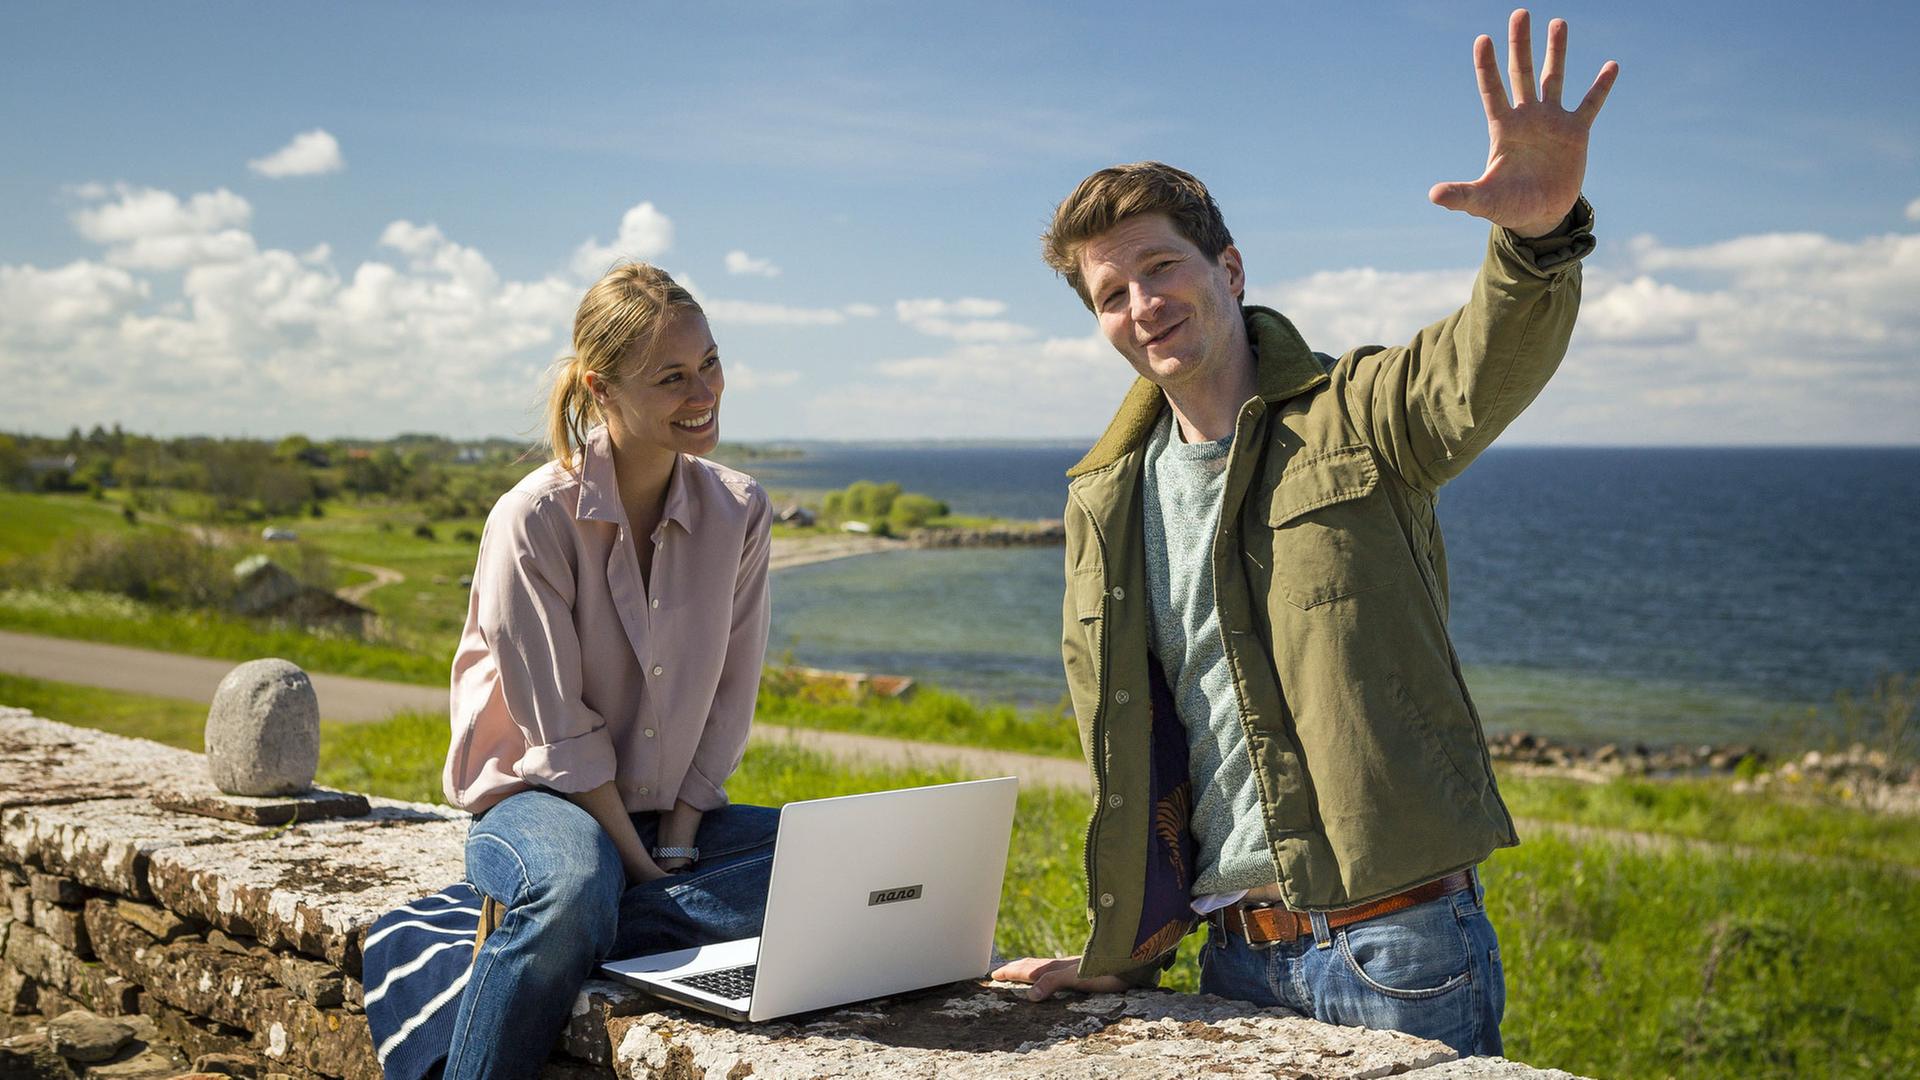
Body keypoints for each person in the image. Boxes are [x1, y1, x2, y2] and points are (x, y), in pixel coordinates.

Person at [992, 9, 1616, 1059]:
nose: (1142, 303)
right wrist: (1119, 957)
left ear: (1229, 270)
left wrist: (1536, 241)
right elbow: (1150, 745)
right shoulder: (1106, 498)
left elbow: (1478, 368)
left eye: (1161, 266)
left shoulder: (1359, 412)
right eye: (1111, 293)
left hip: (1399, 949)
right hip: (1227, 958)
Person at [438, 262, 775, 1079]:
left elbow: (732, 697)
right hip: (539, 800)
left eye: (710, 363)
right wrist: (643, 866)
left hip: (670, 817)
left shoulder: (740, 509)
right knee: (571, 886)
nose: (703, 391)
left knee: (840, 865)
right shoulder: (532, 519)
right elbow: (560, 734)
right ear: (602, 387)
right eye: (671, 377)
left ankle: (612, 923)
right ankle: (596, 919)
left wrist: (685, 844)